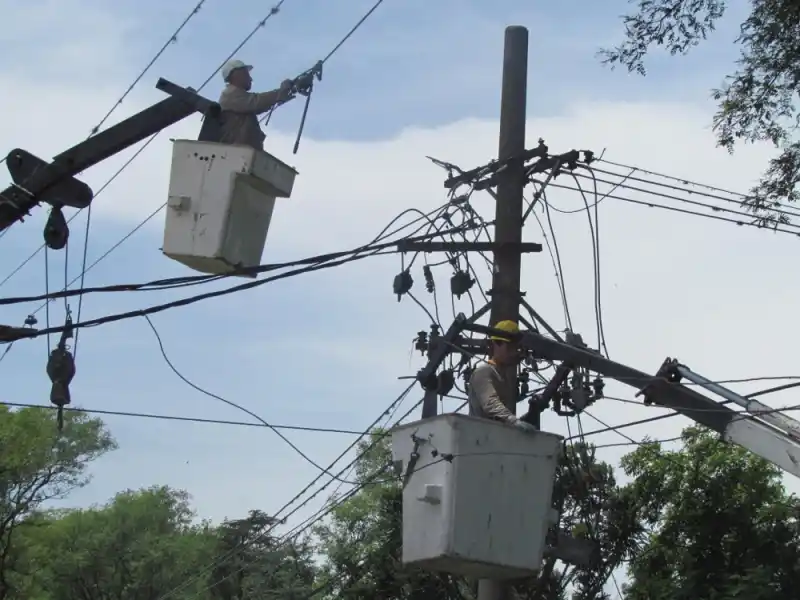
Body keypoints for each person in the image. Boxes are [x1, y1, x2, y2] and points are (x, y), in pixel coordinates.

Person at [468, 319, 537, 432]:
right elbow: (490, 403)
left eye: (516, 348)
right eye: (509, 347)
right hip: (478, 436)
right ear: (496, 344)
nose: (514, 352)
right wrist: (513, 421)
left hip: (495, 436)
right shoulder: (483, 372)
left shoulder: (503, 377)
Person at [217, 59, 295, 150]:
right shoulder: (229, 94)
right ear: (235, 75)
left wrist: (287, 90)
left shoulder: (237, 98)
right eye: (246, 74)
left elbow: (259, 105)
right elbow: (257, 102)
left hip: (242, 152)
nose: (250, 79)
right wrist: (281, 92)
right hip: (235, 152)